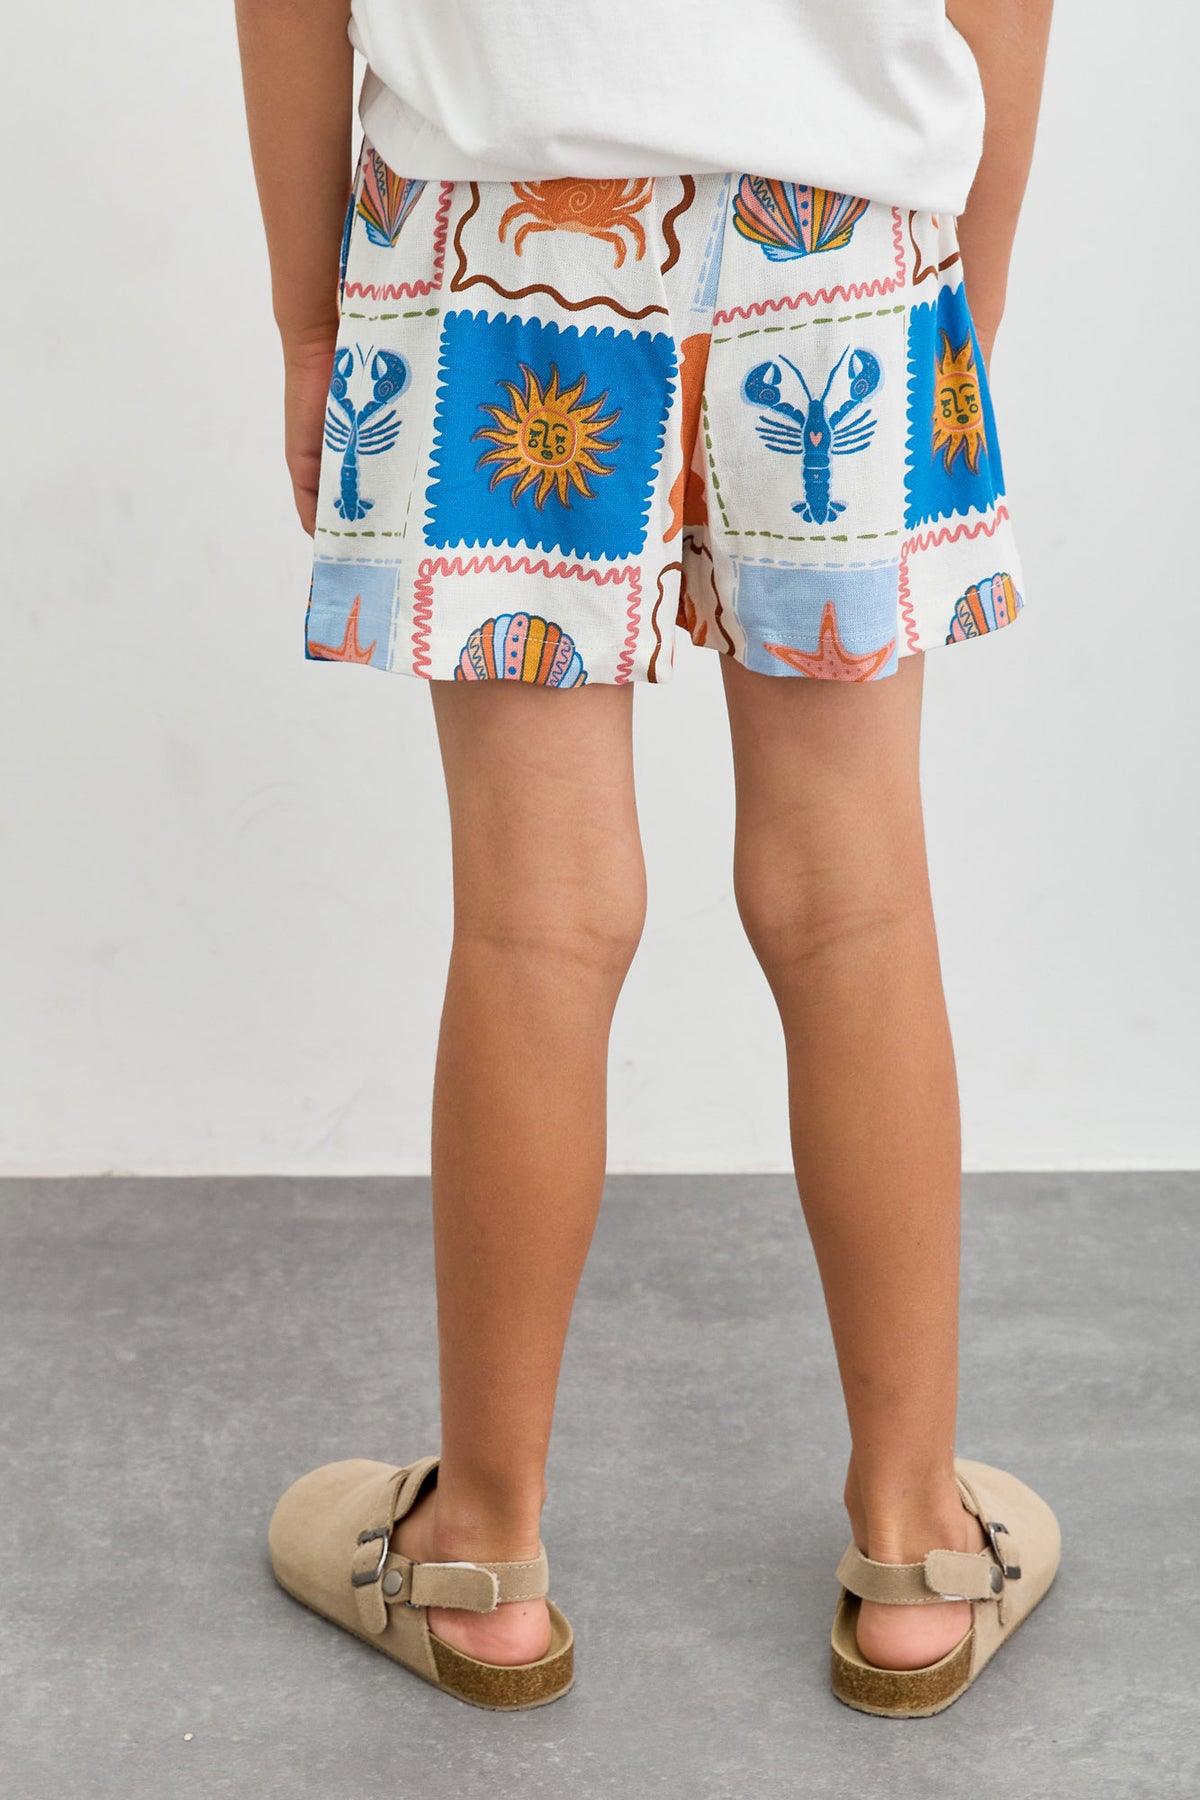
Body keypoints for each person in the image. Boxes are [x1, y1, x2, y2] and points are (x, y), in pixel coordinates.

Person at [236, 0, 1059, 1716]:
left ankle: (479, 1556)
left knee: (536, 918)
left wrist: (311, 317)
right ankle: (917, 1551)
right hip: (845, 228)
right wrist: (963, 282)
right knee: (855, 901)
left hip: (492, 236)